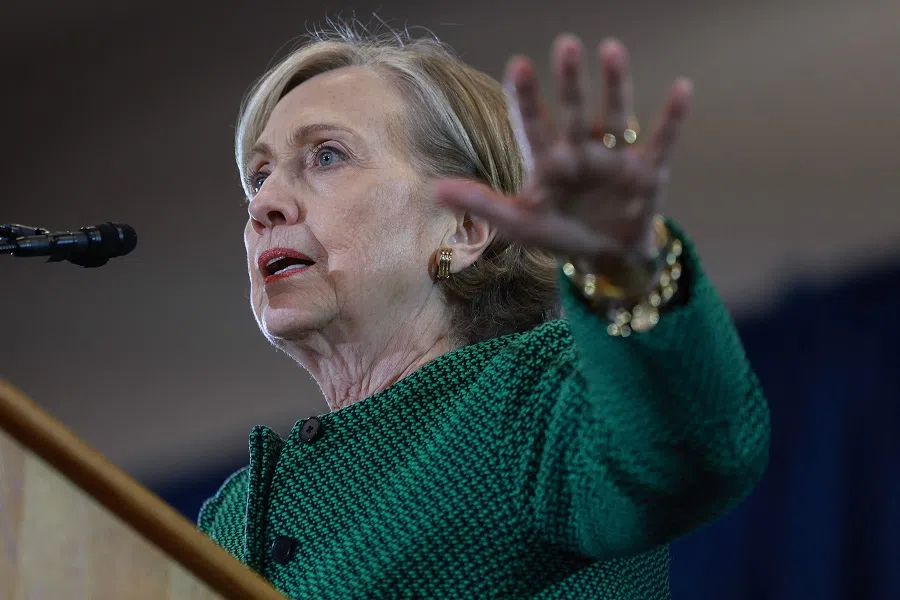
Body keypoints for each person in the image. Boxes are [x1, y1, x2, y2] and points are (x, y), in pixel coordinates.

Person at [198, 21, 770, 600]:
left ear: (466, 228)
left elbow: (692, 454)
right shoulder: (231, 519)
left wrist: (624, 267)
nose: (264, 204)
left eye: (326, 155)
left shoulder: (532, 399)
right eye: (259, 175)